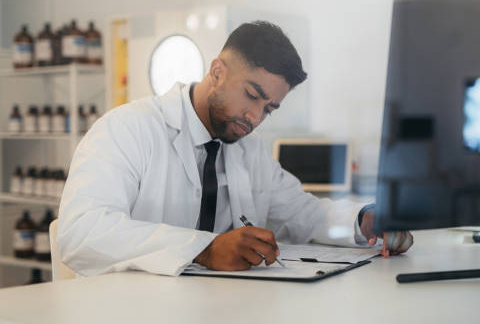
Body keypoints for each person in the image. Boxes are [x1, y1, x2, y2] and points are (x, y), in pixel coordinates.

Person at [58, 21, 413, 276]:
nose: (255, 116)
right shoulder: (128, 129)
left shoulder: (249, 150)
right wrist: (204, 249)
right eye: (252, 95)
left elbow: (302, 214)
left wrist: (364, 220)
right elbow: (81, 232)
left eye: (269, 108)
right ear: (217, 71)